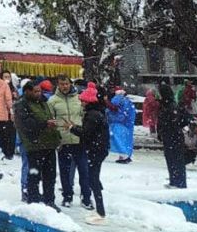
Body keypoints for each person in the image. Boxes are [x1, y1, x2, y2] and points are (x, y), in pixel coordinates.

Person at [14, 80, 62, 210]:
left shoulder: (43, 102)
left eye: (39, 91)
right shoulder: (21, 105)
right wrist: (45, 124)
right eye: (35, 91)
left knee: (50, 176)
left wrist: (57, 137)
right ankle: (33, 201)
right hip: (34, 145)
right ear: (27, 91)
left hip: (49, 144)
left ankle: (49, 200)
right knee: (34, 175)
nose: (38, 94)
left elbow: (49, 119)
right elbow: (27, 125)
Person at [69, 83, 110, 225]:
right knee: (94, 178)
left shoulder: (92, 115)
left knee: (93, 179)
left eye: (82, 101)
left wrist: (72, 128)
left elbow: (86, 133)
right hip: (98, 149)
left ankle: (101, 212)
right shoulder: (98, 113)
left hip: (95, 150)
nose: (81, 103)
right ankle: (100, 209)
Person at [48, 74, 90, 209]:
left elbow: (85, 117)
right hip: (63, 141)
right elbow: (51, 121)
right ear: (58, 85)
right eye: (61, 84)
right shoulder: (52, 101)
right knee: (65, 172)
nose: (64, 86)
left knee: (84, 171)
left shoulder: (79, 98)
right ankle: (67, 196)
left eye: (66, 84)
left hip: (79, 139)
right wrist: (55, 139)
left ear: (70, 84)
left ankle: (86, 198)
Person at [157, 83, 189, 188]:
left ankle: (177, 181)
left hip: (172, 135)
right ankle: (176, 180)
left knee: (174, 159)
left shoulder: (169, 107)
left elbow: (168, 121)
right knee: (173, 158)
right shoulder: (172, 105)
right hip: (173, 135)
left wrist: (166, 128)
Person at [107, 88, 135, 164]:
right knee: (126, 140)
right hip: (126, 124)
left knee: (118, 140)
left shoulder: (117, 99)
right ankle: (126, 155)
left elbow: (113, 110)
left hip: (118, 123)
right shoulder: (128, 101)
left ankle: (123, 155)